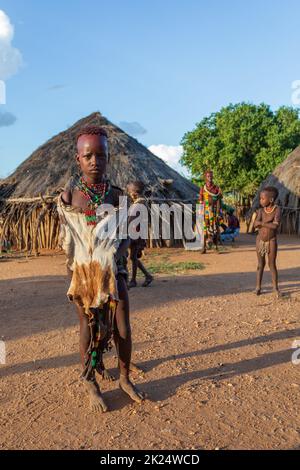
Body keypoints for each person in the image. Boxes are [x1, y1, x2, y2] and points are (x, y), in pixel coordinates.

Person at [58, 126, 145, 413]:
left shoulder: (118, 196)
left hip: (113, 271)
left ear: (109, 158)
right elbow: (68, 242)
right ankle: (90, 382)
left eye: (101, 155)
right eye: (88, 155)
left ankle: (124, 378)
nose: (95, 161)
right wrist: (73, 275)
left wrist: (113, 257)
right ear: (77, 159)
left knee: (122, 325)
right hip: (83, 274)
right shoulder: (69, 198)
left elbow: (128, 237)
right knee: (88, 325)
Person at [253, 186, 281, 298]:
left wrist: (263, 223)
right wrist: (265, 223)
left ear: (271, 200)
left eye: (263, 198)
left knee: (272, 264)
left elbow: (275, 226)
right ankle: (258, 287)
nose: (260, 200)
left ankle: (275, 288)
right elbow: (255, 224)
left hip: (271, 240)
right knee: (260, 265)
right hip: (260, 240)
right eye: (260, 198)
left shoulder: (277, 210)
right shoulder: (260, 211)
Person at [127, 181, 153, 288]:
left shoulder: (138, 204)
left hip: (136, 234)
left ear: (134, 193)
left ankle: (134, 280)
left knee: (132, 257)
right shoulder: (141, 203)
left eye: (129, 193)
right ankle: (147, 276)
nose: (129, 195)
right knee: (133, 257)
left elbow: (132, 220)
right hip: (138, 233)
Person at [199, 170, 223, 253]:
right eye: (208, 176)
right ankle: (204, 248)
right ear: (205, 177)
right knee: (205, 229)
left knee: (215, 228)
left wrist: (219, 212)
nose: (210, 178)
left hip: (214, 211)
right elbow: (201, 200)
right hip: (206, 211)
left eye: (211, 176)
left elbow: (219, 200)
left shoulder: (216, 188)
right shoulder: (203, 188)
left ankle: (216, 247)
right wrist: (201, 211)